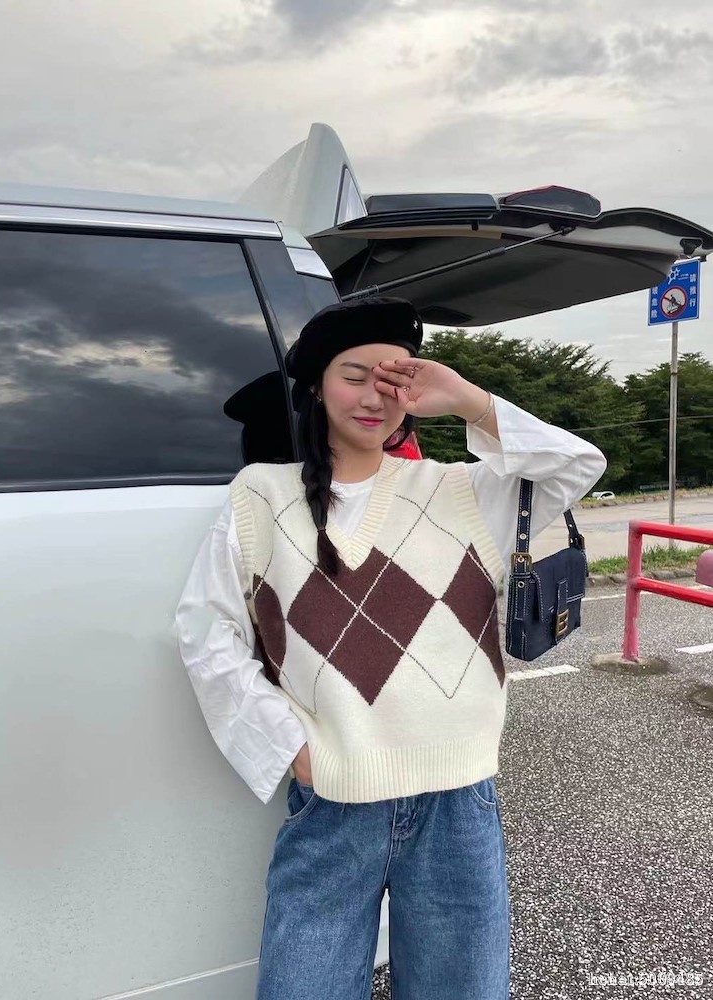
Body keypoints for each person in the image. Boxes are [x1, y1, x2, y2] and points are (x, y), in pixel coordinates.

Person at [175, 296, 606, 1000]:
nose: (374, 397)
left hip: (457, 800)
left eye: (393, 379)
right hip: (333, 800)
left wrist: (466, 399)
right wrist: (288, 746)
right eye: (354, 376)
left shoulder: (459, 489)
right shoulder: (263, 496)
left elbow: (577, 465)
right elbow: (206, 629)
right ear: (317, 387)